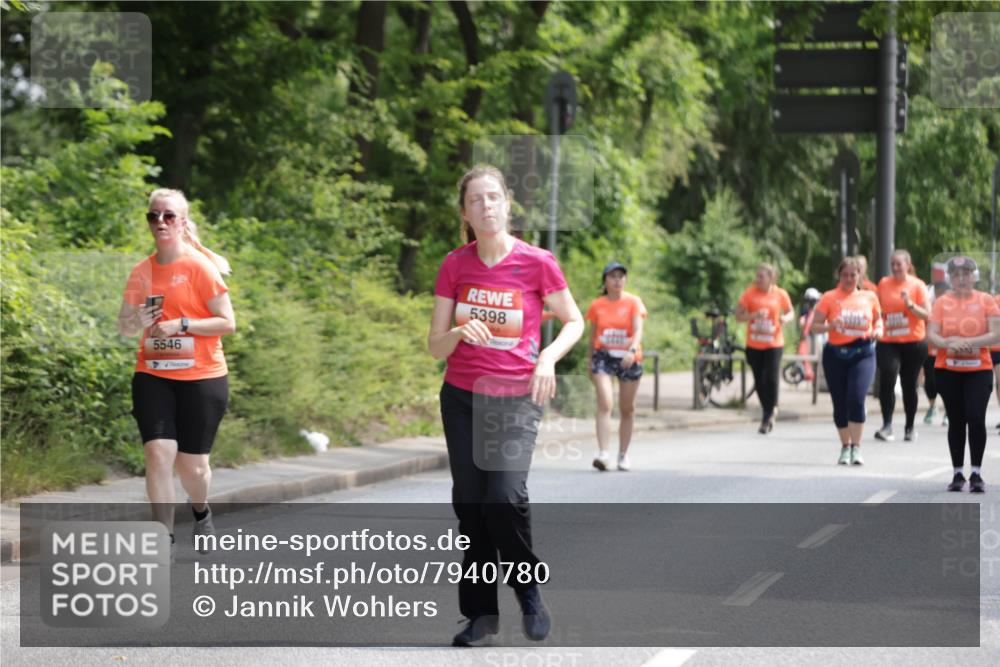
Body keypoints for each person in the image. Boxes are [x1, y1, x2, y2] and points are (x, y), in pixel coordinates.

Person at [428, 165, 584, 646]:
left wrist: (548, 358)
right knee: (471, 507)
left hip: (515, 398)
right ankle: (481, 616)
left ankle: (528, 590)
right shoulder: (455, 264)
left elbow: (574, 321)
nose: (486, 206)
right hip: (461, 398)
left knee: (503, 497)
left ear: (508, 204)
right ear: (465, 212)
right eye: (476, 200)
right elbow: (435, 345)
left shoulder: (537, 262)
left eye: (493, 197)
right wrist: (456, 332)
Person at [116, 188, 235, 557]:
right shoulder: (142, 271)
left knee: (193, 469)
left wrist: (182, 324)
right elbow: (123, 326)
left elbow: (227, 323)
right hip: (153, 373)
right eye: (154, 216)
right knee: (158, 453)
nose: (160, 222)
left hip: (202, 376)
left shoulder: (200, 268)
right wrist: (137, 319)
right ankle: (162, 538)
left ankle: (201, 513)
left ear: (182, 223)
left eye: (168, 216)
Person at [927, 256, 1000, 493]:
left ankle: (976, 473)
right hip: (947, 369)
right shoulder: (941, 302)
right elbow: (932, 335)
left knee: (976, 417)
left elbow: (996, 334)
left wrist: (968, 342)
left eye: (966, 273)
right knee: (956, 419)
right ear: (950, 278)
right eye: (956, 274)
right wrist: (948, 343)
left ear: (974, 276)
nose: (961, 278)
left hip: (978, 369)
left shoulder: (986, 300)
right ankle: (958, 472)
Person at [810, 257, 883, 465]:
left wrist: (878, 329)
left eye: (853, 275)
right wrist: (830, 326)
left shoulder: (870, 297)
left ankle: (857, 447)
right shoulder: (829, 297)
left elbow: (878, 320)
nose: (849, 279)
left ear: (860, 276)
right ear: (839, 276)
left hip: (863, 352)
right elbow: (815, 326)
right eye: (845, 275)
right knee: (839, 402)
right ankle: (845, 446)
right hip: (835, 354)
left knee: (856, 398)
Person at [586, 262, 648, 470]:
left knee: (627, 408)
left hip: (628, 357)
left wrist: (632, 350)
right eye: (613, 276)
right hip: (603, 356)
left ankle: (623, 454)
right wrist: (589, 359)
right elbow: (593, 334)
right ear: (605, 280)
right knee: (605, 403)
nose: (617, 280)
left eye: (621, 276)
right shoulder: (597, 305)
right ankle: (603, 453)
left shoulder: (633, 302)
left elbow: (638, 329)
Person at [873, 250, 929, 442]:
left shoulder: (918, 285)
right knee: (887, 378)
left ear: (908, 264)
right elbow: (876, 309)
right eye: (893, 264)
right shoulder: (884, 283)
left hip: (914, 342)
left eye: (899, 264)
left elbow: (927, 315)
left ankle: (910, 427)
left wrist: (910, 304)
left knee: (909, 384)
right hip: (888, 341)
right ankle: (887, 425)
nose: (895, 267)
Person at [734, 263, 793, 433]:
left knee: (772, 378)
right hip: (754, 343)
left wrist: (786, 319)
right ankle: (768, 409)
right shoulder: (749, 293)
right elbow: (738, 316)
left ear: (771, 278)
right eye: (757, 276)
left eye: (761, 276)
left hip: (774, 343)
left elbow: (790, 312)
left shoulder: (780, 294)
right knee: (759, 380)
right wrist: (752, 315)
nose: (757, 279)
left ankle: (768, 414)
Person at [923, 281, 950, 426]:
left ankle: (948, 412)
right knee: (930, 382)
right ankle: (932, 406)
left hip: (945, 351)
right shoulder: (929, 305)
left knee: (946, 383)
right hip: (929, 350)